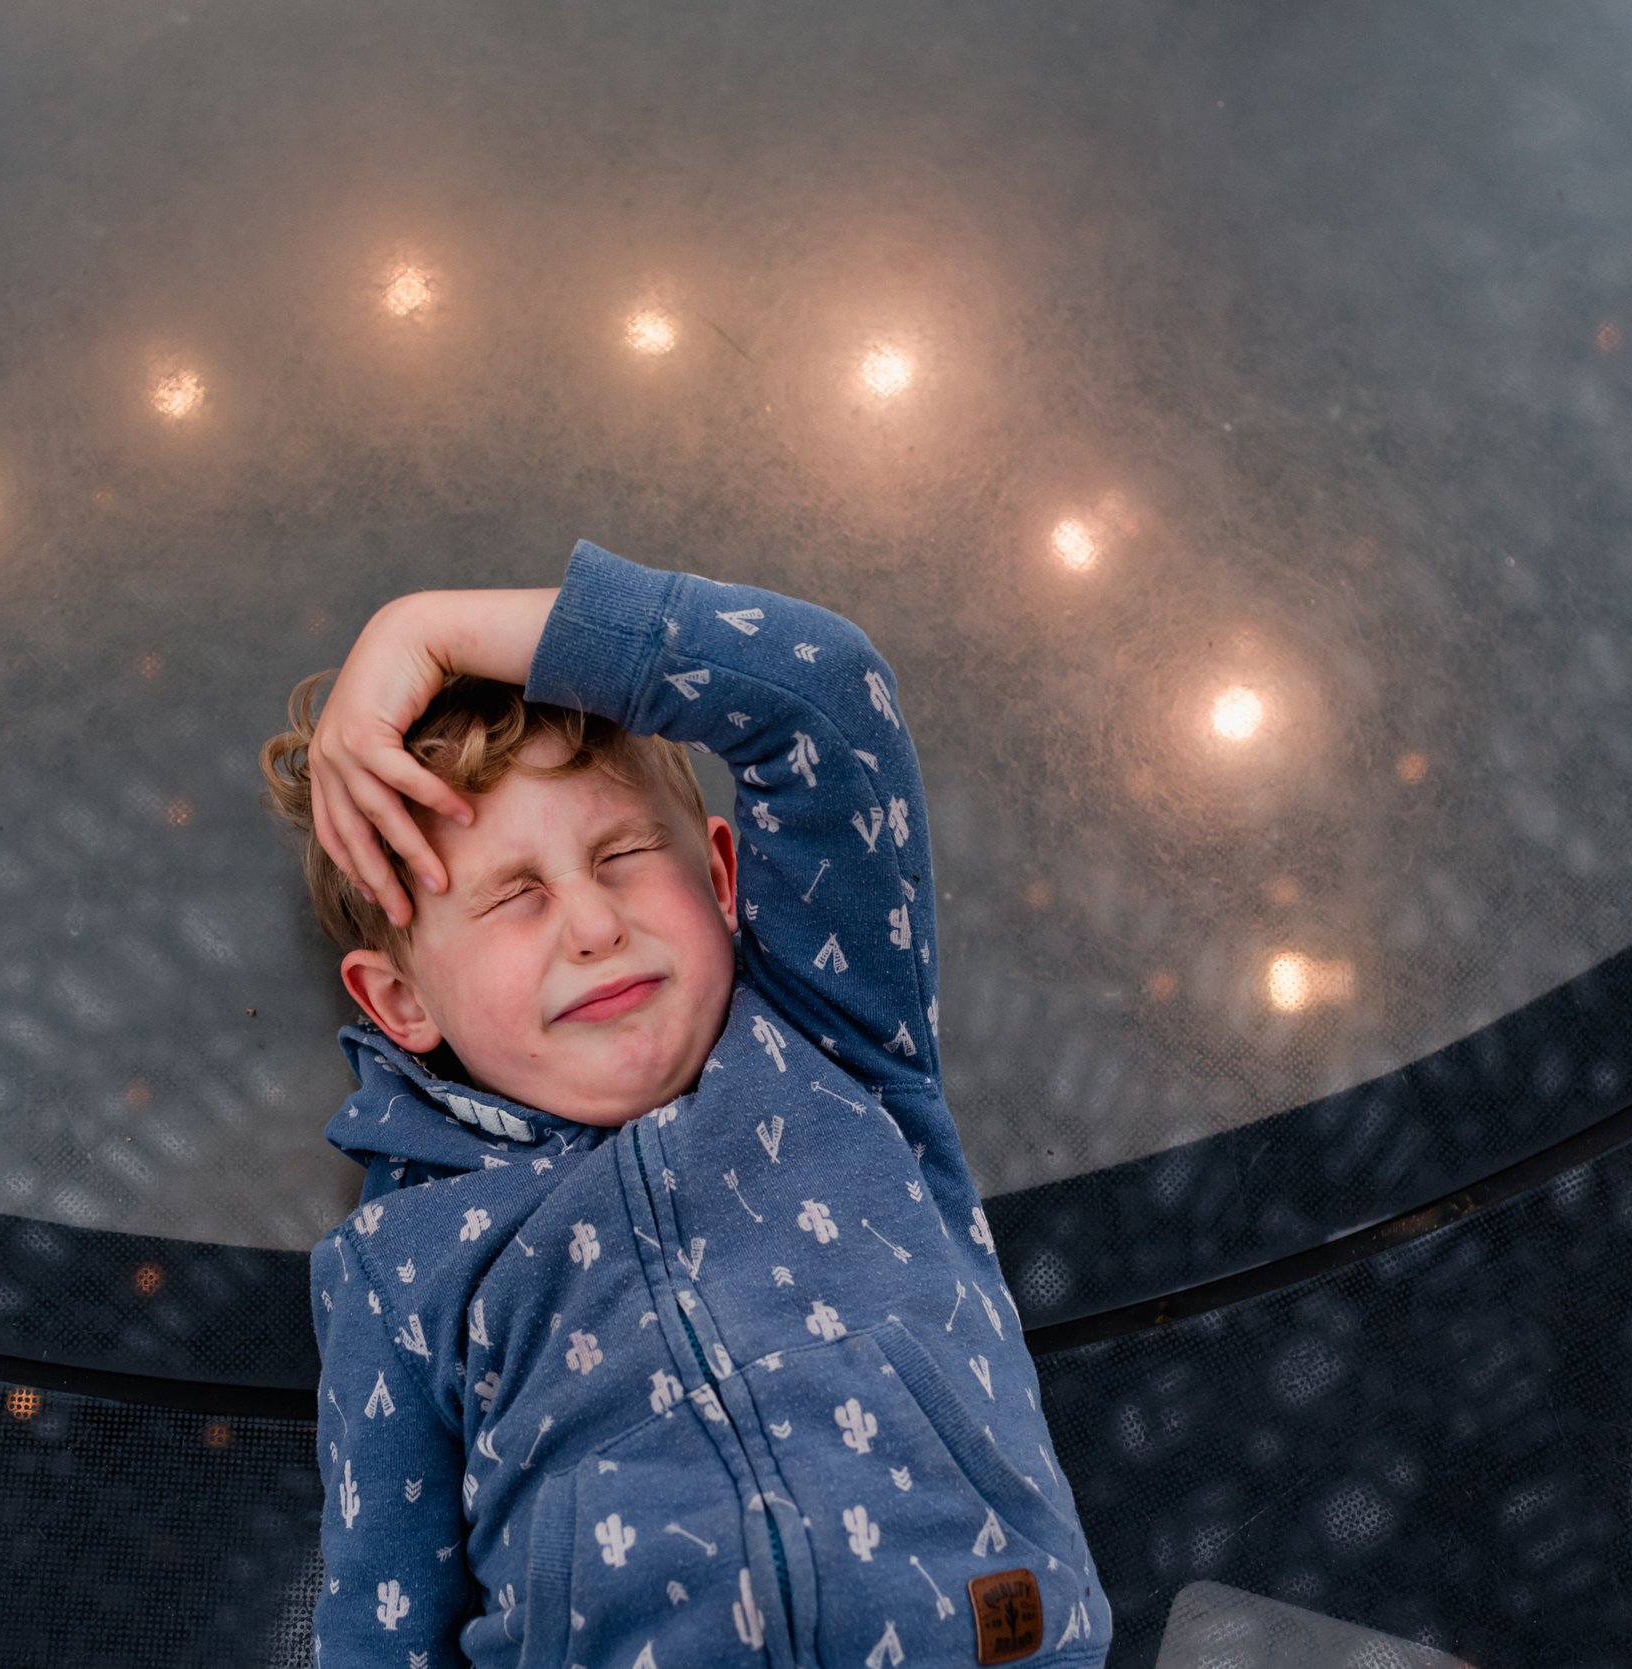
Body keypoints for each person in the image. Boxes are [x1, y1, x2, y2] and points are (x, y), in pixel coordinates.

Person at [259, 540, 1110, 1668]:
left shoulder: (836, 1030)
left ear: (721, 875)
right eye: (513, 895)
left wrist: (427, 629)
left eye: (621, 854)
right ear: (401, 999)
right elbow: (380, 1625)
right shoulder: (396, 1265)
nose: (593, 922)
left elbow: (825, 693)